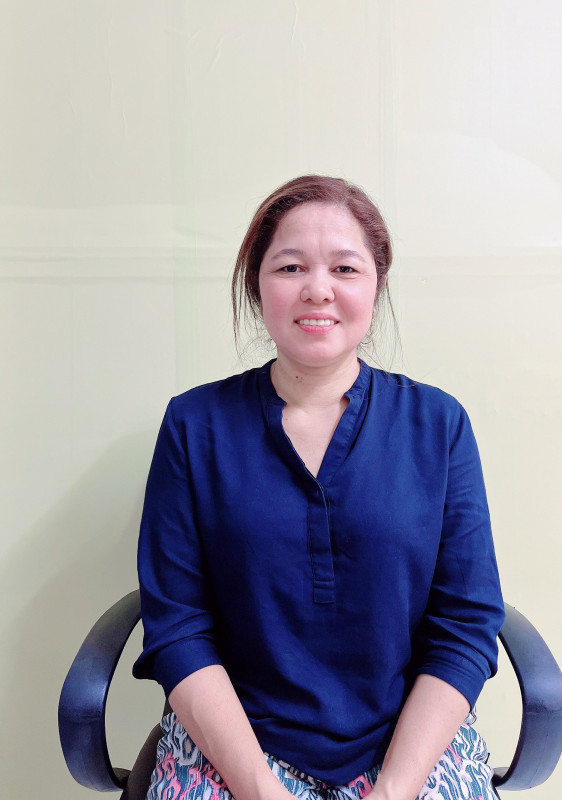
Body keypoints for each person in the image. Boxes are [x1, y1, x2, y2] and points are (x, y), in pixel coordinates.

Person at [133, 175, 505, 800]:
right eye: (291, 267)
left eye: (345, 268)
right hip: (236, 745)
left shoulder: (438, 426)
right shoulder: (194, 426)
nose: (318, 289)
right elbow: (178, 627)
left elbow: (464, 624)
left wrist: (394, 789)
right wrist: (258, 787)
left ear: (376, 285)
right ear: (257, 285)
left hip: (406, 743)